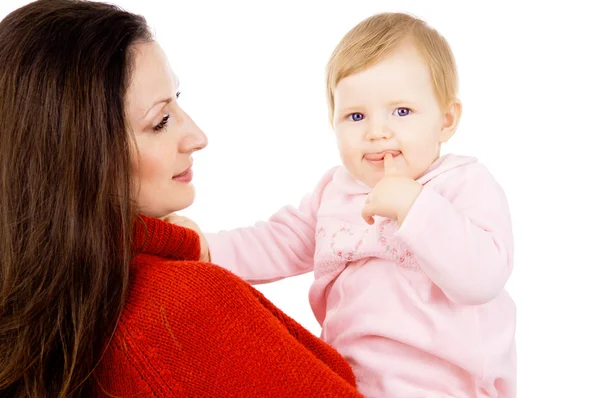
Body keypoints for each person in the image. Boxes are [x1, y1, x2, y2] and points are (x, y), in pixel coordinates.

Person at [0, 1, 362, 397]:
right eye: (160, 121)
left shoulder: (41, 320)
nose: (197, 136)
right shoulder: (180, 310)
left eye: (177, 100)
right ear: (80, 155)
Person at [204, 12, 517, 398]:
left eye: (401, 111)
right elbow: (278, 241)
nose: (376, 131)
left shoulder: (463, 183)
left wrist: (413, 204)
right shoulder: (334, 192)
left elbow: (482, 279)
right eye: (355, 115)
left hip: (443, 383)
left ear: (446, 120)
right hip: (348, 378)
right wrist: (204, 248)